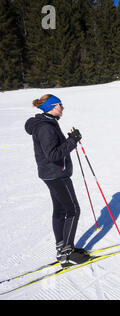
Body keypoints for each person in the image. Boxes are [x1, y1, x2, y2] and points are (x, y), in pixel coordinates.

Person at [25, 94, 90, 268]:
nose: (63, 107)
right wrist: (72, 141)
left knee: (61, 210)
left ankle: (63, 247)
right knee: (73, 210)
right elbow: (52, 154)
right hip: (56, 174)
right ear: (52, 107)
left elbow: (53, 148)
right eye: (60, 104)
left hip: (51, 173)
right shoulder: (46, 127)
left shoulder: (47, 122)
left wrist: (69, 140)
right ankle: (67, 254)